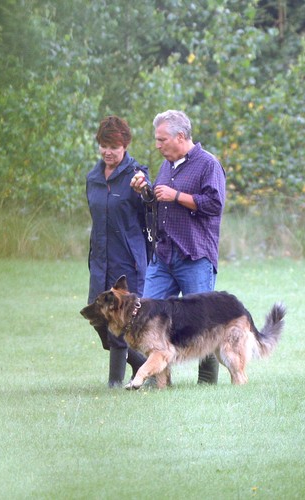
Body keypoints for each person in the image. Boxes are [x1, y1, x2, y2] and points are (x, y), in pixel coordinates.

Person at [130, 109, 226, 384]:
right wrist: (146, 192)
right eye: (157, 140)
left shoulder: (208, 164)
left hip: (195, 255)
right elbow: (161, 203)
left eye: (162, 140)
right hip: (164, 255)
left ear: (180, 136)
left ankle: (207, 382)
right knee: (146, 314)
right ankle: (158, 381)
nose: (157, 145)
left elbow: (215, 204)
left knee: (203, 320)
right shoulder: (166, 166)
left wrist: (177, 196)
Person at [85, 115, 149, 388]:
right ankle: (144, 366)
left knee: (122, 323)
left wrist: (146, 192)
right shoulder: (93, 178)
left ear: (125, 146)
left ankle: (114, 383)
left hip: (128, 262)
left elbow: (150, 210)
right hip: (100, 260)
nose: (108, 151)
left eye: (114, 146)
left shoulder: (137, 175)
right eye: (104, 145)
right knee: (97, 318)